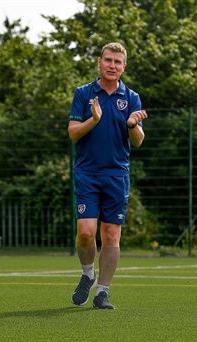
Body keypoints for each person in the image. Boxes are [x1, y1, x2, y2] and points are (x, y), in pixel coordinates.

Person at [67, 42, 147, 310]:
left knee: (112, 235)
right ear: (99, 62)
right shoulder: (83, 93)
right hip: (88, 172)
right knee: (86, 233)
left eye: (118, 62)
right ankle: (88, 274)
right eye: (108, 60)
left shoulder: (132, 97)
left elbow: (138, 141)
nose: (113, 66)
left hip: (116, 174)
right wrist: (94, 119)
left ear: (124, 67)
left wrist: (133, 125)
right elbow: (73, 133)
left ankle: (102, 292)